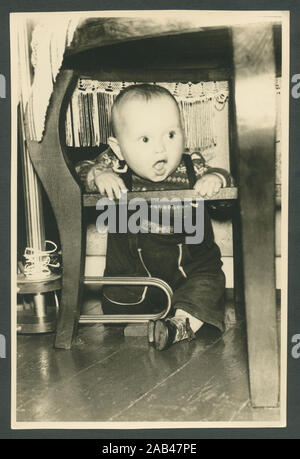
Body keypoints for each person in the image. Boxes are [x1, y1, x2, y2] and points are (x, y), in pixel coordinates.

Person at [76, 83, 233, 351]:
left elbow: (225, 185)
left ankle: (178, 325)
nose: (161, 149)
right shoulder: (113, 166)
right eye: (145, 140)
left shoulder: (192, 166)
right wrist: (97, 176)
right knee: (121, 298)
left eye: (171, 135)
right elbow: (79, 171)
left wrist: (216, 179)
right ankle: (151, 319)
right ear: (118, 148)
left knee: (210, 282)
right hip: (134, 278)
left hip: (190, 273)